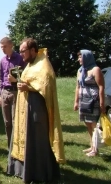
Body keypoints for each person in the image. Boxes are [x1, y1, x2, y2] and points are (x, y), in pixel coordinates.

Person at [7, 38, 65, 183]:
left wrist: (29, 88)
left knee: (37, 140)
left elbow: (46, 84)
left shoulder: (43, 65)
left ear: (33, 50)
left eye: (23, 51)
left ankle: (39, 173)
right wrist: (18, 82)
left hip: (37, 109)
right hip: (25, 107)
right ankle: (23, 170)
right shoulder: (29, 64)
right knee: (26, 139)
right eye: (20, 51)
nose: (21, 54)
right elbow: (27, 81)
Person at [74, 49, 105, 157]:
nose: (79, 59)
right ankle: (92, 146)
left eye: (80, 57)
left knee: (94, 124)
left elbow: (101, 87)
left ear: (87, 57)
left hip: (93, 101)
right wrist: (76, 101)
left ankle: (96, 149)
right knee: (87, 123)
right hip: (83, 100)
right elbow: (77, 87)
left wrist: (101, 103)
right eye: (78, 57)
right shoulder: (80, 71)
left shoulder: (96, 70)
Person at [0, 37, 26, 148]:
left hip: (16, 92)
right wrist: (0, 95)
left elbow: (25, 75)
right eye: (1, 47)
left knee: (15, 121)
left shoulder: (19, 59)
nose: (3, 49)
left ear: (11, 46)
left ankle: (18, 146)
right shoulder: (2, 61)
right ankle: (10, 146)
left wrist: (16, 80)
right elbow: (0, 78)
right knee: (7, 122)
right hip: (4, 92)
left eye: (4, 47)